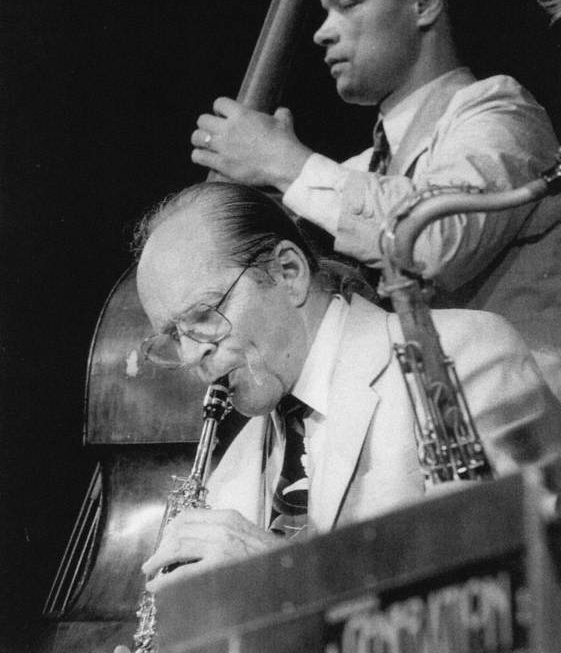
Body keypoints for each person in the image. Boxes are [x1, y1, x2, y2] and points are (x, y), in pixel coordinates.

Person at [190, 0, 561, 398]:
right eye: (324, 10)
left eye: (347, 3)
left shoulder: (501, 112)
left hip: (526, 447)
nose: (322, 31)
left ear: (424, 1)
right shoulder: (362, 172)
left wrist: (284, 163)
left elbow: (430, 240)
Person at [131, 181, 561, 595]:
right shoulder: (229, 476)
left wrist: (282, 574)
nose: (190, 355)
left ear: (288, 272)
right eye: (173, 336)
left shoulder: (456, 355)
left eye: (204, 316)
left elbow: (515, 588)